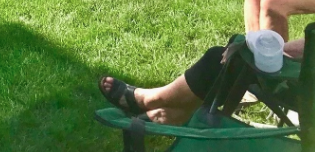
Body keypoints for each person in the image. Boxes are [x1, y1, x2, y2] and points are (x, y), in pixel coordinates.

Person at [99, 37, 305, 125]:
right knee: (236, 55)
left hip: (306, 95)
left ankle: (150, 100)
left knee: (223, 59)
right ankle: (173, 114)